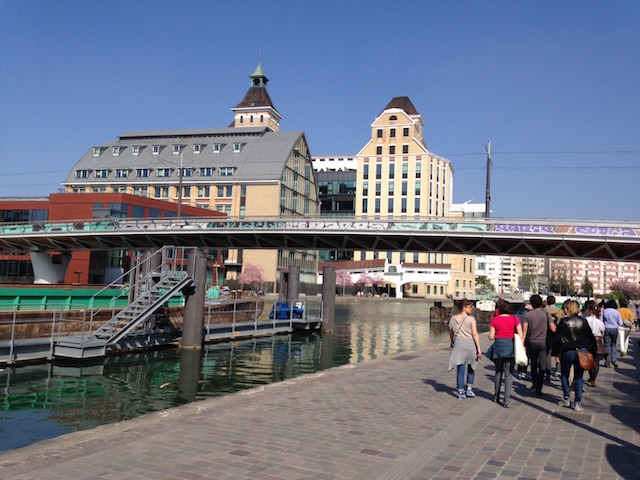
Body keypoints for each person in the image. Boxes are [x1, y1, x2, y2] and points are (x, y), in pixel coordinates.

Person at [555, 300, 597, 412]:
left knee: (564, 374)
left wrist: (556, 352)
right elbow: (591, 337)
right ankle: (577, 403)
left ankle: (566, 397)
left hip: (567, 350)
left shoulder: (564, 322)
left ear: (568, 309)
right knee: (579, 377)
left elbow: (557, 338)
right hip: (581, 351)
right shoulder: (583, 321)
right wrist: (593, 352)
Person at [488, 299, 523, 408]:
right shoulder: (515, 319)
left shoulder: (495, 320)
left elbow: (491, 337)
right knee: (509, 374)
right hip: (510, 346)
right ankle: (506, 399)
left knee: (498, 371)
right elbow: (521, 335)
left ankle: (496, 395)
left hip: (498, 346)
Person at [522, 294, 556, 396]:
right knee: (542, 365)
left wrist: (522, 344)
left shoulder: (527, 315)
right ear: (541, 303)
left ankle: (534, 383)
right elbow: (553, 329)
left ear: (531, 304)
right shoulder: (546, 315)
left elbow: (524, 331)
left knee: (533, 363)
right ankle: (539, 387)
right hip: (543, 342)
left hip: (531, 342)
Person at [448, 299, 482, 399]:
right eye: (470, 307)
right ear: (464, 307)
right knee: (472, 367)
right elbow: (475, 334)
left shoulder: (453, 318)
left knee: (460, 368)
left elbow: (451, 331)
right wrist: (479, 348)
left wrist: (452, 341)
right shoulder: (471, 319)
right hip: (470, 344)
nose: (471, 308)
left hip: (458, 343)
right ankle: (469, 389)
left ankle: (460, 391)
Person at [583, 300, 605, 387]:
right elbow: (602, 333)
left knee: (589, 359)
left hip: (587, 340)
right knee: (597, 361)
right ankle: (593, 379)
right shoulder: (599, 322)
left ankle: (591, 376)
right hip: (597, 340)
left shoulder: (585, 320)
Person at [601, 299, 623, 368]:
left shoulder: (604, 311)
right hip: (614, 329)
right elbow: (620, 323)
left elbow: (601, 321)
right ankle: (613, 359)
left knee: (607, 345)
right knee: (613, 344)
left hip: (606, 328)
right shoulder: (617, 312)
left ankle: (607, 361)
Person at [515, 300, 533, 380]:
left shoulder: (517, 312)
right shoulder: (528, 314)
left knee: (520, 352)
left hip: (517, 334)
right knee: (526, 355)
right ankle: (523, 372)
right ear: (527, 305)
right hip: (526, 335)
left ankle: (519, 370)